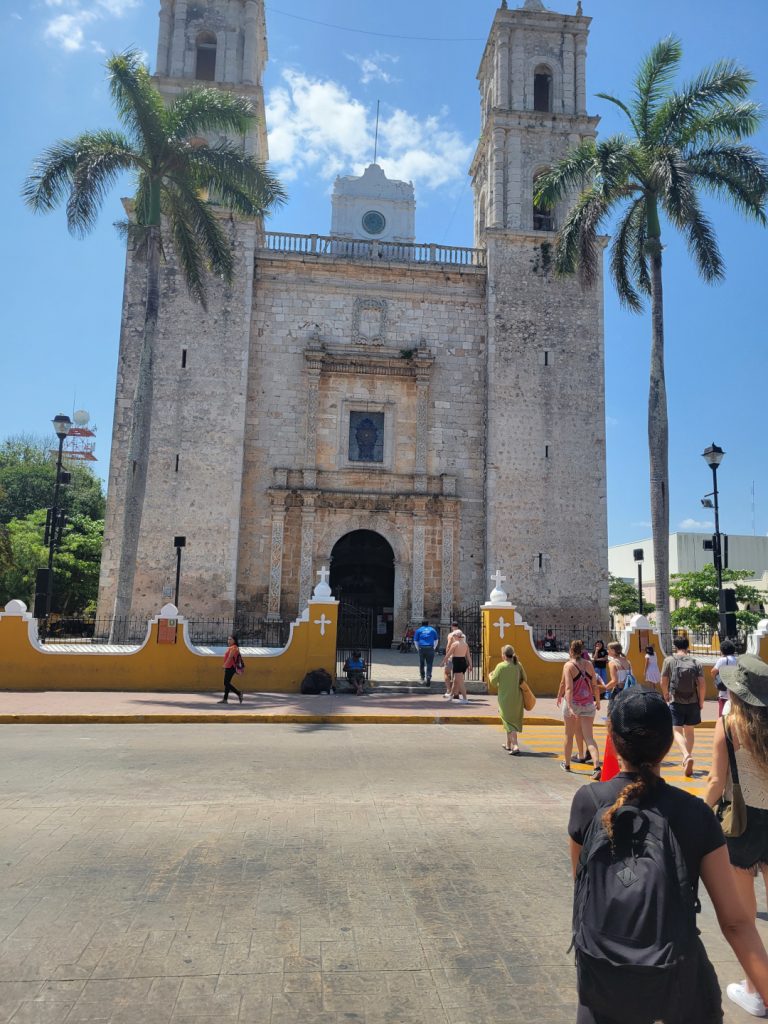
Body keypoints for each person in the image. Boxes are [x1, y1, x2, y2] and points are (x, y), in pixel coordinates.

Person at [568, 687, 768, 1024]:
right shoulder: (695, 814)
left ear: (612, 739)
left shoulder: (587, 802)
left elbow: (583, 884)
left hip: (604, 982)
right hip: (678, 982)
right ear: (667, 745)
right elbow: (735, 923)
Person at [703, 654, 768, 1017]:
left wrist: (696, 815)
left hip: (741, 824)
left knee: (744, 918)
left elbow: (716, 781)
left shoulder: (729, 724)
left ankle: (755, 990)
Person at [661, 635, 705, 778]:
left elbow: (663, 680)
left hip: (676, 700)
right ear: (687, 646)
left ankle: (686, 756)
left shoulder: (669, 660)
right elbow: (702, 684)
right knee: (690, 731)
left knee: (676, 730)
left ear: (675, 646)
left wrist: (666, 694)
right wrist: (701, 701)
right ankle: (687, 758)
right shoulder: (696, 662)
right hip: (693, 701)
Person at [558, 640, 601, 778]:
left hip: (574, 704)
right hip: (588, 704)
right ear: (582, 651)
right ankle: (596, 767)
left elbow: (568, 687)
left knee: (568, 735)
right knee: (589, 738)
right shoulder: (589, 664)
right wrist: (598, 701)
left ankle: (567, 764)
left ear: (570, 651)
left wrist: (568, 705)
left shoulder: (568, 665)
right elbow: (594, 685)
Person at [490, 644, 526, 754]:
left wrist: (490, 675)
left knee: (508, 722)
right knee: (510, 721)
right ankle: (508, 744)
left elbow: (493, 682)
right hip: (517, 698)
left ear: (504, 655)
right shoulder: (518, 665)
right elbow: (524, 679)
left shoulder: (500, 666)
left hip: (505, 699)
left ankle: (515, 745)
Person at [444, 630, 472, 704]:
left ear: (457, 636)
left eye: (454, 636)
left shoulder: (455, 644)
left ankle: (465, 698)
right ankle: (451, 696)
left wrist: (443, 662)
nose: (453, 637)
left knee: (460, 682)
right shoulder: (465, 644)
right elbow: (468, 656)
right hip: (463, 662)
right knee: (456, 681)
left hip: (457, 663)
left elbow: (448, 654)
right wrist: (471, 665)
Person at [712, 638, 737, 717]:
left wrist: (716, 679)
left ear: (722, 650)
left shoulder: (722, 660)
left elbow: (713, 671)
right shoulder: (738, 660)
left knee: (723, 717)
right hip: (735, 693)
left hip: (724, 692)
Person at [219, 634, 244, 704]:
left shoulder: (234, 647)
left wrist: (224, 665)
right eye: (228, 639)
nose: (228, 641)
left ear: (234, 640)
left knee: (226, 683)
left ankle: (239, 693)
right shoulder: (231, 647)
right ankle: (225, 699)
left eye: (230, 639)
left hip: (231, 667)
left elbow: (230, 657)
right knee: (227, 683)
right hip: (229, 667)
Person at [413, 620, 439, 686]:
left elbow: (415, 641)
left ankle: (422, 677)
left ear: (422, 624)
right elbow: (436, 640)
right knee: (429, 663)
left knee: (422, 663)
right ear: (428, 624)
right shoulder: (432, 630)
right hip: (430, 648)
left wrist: (417, 648)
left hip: (421, 648)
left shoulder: (419, 630)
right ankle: (428, 676)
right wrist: (433, 648)